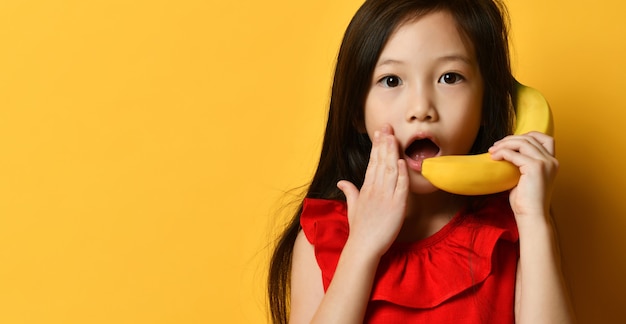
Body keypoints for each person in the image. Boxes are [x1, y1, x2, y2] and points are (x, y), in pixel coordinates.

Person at [268, 0, 575, 323]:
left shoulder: (513, 228)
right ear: (357, 113)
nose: (421, 107)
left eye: (450, 77)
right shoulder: (327, 234)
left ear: (487, 105)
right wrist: (362, 247)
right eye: (391, 81)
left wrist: (535, 221)